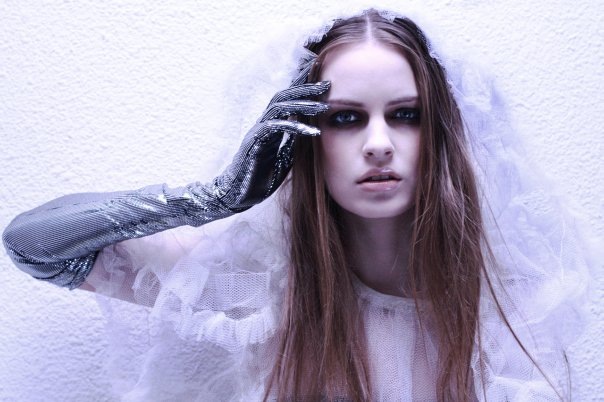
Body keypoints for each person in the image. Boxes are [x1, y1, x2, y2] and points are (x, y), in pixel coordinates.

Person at [2, 8, 589, 401]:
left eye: (406, 115)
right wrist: (216, 198)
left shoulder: (508, 303)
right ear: (304, 135)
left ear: (440, 133)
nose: (379, 143)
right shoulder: (256, 288)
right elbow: (35, 245)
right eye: (345, 118)